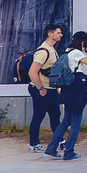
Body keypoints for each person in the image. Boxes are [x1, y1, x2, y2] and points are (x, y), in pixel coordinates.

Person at [45, 30, 87, 160]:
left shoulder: (67, 51)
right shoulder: (77, 53)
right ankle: (69, 152)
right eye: (86, 41)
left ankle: (51, 148)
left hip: (67, 88)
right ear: (83, 41)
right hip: (77, 89)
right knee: (76, 121)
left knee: (66, 120)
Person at [27, 23, 64, 154]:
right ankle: (34, 143)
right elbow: (32, 72)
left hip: (51, 89)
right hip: (43, 89)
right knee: (38, 116)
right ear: (50, 34)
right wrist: (41, 88)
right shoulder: (43, 51)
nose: (61, 35)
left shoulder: (52, 49)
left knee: (55, 116)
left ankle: (60, 141)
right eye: (58, 33)